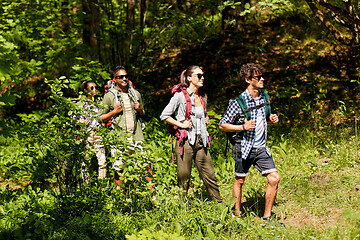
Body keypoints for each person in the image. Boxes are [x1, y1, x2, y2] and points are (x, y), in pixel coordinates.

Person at [219, 63, 281, 222]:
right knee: (240, 180)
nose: (262, 79)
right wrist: (242, 126)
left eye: (262, 76)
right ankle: (236, 215)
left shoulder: (264, 97)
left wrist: (270, 118)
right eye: (258, 77)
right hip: (243, 147)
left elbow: (264, 116)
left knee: (274, 178)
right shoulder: (238, 102)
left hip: (261, 147)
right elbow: (222, 124)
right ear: (248, 80)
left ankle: (267, 218)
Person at [160, 65, 222, 203]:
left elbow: (201, 115)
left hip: (202, 141)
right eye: (199, 76)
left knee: (210, 175)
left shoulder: (202, 96)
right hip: (186, 142)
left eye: (203, 75)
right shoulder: (179, 96)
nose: (202, 78)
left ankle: (220, 206)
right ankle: (183, 209)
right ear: (189, 78)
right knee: (184, 177)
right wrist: (181, 124)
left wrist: (205, 119)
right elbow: (164, 115)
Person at [97, 66, 152, 187]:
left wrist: (140, 109)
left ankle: (153, 196)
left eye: (126, 76)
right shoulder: (109, 96)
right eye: (120, 77)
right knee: (119, 168)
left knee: (145, 164)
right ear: (114, 79)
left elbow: (142, 114)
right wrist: (113, 112)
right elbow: (100, 117)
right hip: (119, 138)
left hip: (137, 135)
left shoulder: (135, 94)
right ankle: (120, 198)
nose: (124, 79)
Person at [78, 81, 106, 182]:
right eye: (91, 88)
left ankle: (102, 186)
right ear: (86, 90)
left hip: (98, 134)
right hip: (87, 134)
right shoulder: (81, 103)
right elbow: (74, 118)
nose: (95, 90)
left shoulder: (99, 103)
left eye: (96, 87)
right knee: (86, 161)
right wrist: (82, 122)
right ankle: (86, 185)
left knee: (102, 162)